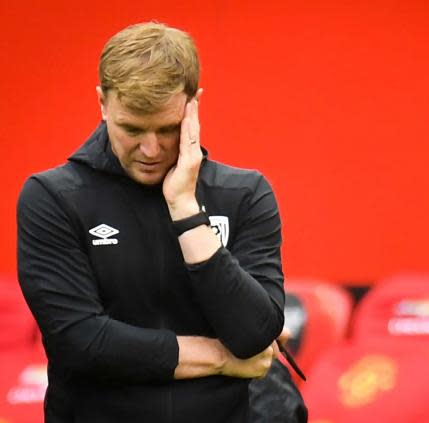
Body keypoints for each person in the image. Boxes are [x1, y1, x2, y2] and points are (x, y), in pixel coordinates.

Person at [17, 22, 289, 422]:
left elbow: (253, 335)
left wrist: (184, 205)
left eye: (167, 129)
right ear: (103, 104)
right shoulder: (53, 197)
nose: (150, 149)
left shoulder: (244, 194)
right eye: (131, 129)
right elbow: (81, 341)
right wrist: (219, 358)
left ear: (194, 105)